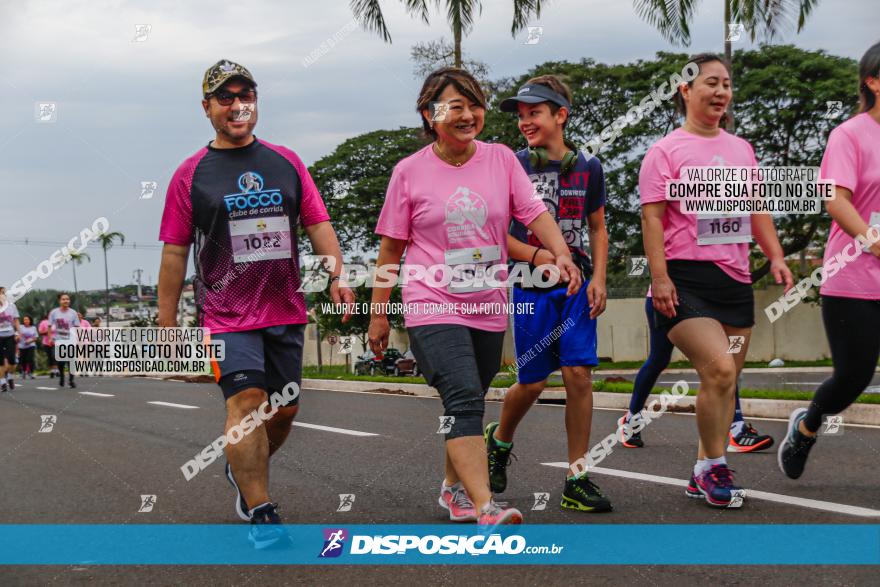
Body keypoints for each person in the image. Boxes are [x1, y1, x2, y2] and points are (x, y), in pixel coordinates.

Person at [368, 67, 582, 528]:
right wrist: (379, 315)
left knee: (470, 399)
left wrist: (560, 253)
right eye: (455, 105)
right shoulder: (408, 172)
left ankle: (452, 488)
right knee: (464, 397)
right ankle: (486, 505)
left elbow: (533, 212)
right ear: (430, 114)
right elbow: (391, 247)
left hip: (486, 303)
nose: (469, 114)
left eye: (475, 104)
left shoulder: (502, 159)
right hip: (431, 300)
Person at [157, 59, 354, 547]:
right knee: (247, 404)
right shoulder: (190, 174)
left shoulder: (285, 161)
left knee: (282, 413)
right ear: (207, 108)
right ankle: (261, 510)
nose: (238, 105)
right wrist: (166, 325)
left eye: (246, 95)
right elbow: (175, 251)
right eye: (226, 97)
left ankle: (242, 469)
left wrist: (337, 277)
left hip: (285, 309)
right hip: (227, 315)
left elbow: (317, 223)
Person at [640, 54, 794, 508]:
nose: (722, 92)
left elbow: (756, 209)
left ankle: (705, 465)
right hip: (684, 280)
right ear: (686, 90)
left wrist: (777, 256)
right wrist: (660, 277)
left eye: (726, 84)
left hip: (734, 280)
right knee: (720, 368)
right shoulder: (664, 151)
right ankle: (712, 467)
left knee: (725, 382)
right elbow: (652, 219)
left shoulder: (741, 148)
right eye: (712, 82)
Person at [484, 75, 612, 512]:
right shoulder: (512, 166)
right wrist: (541, 258)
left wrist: (600, 279)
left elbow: (597, 227)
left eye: (534, 112)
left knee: (578, 375)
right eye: (520, 115)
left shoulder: (589, 167)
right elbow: (499, 235)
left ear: (560, 115)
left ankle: (577, 478)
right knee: (533, 381)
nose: (525, 121)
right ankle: (499, 441)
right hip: (531, 284)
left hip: (578, 286)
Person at [779, 42, 880, 479]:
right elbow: (834, 200)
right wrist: (876, 243)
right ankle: (807, 425)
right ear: (872, 81)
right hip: (853, 276)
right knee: (853, 376)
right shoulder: (850, 134)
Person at [621, 287, 774, 453]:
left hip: (707, 296)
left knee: (722, 361)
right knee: (659, 359)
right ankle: (632, 418)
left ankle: (737, 429)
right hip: (668, 296)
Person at [46, 293, 80, 388]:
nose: (66, 301)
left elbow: (77, 327)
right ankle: (62, 376)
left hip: (70, 340)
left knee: (71, 361)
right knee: (60, 361)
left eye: (67, 299)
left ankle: (71, 380)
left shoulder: (73, 313)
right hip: (59, 340)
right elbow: (49, 326)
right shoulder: (54, 313)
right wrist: (50, 338)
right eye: (63, 299)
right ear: (59, 301)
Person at [0, 287, 20, 392]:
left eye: (3, 293)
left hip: (10, 335)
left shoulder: (12, 306)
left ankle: (10, 376)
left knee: (12, 360)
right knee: (0, 361)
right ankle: (3, 382)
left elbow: (16, 320)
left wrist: (17, 332)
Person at [17, 316, 38, 380]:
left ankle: (31, 373)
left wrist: (30, 341)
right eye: (24, 320)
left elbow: (35, 338)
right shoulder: (20, 327)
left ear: (30, 320)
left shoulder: (33, 328)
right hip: (22, 346)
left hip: (31, 345)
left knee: (30, 359)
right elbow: (17, 336)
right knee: (23, 360)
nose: (25, 321)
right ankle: (23, 372)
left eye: (27, 319)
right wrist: (17, 338)